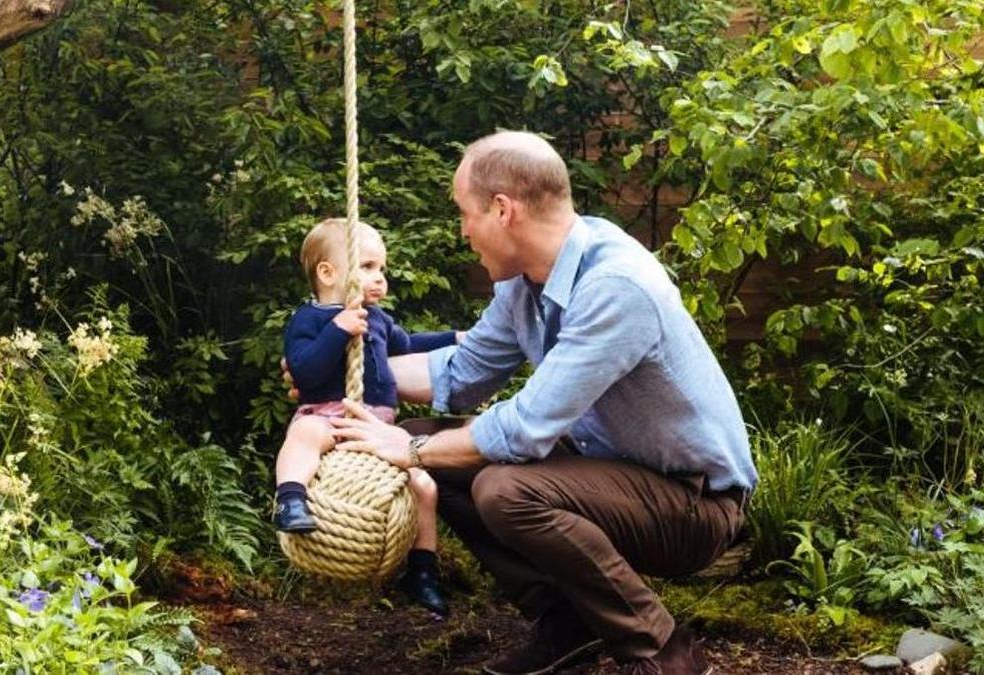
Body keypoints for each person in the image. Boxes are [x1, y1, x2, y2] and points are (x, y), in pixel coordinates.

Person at [324, 131, 759, 675]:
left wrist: (410, 449)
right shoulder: (525, 284)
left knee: (502, 488)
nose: (462, 232)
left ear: (503, 210)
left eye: (465, 214)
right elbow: (461, 375)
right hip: (612, 474)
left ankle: (665, 653)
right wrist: (338, 377)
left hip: (694, 505)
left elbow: (527, 427)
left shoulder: (617, 286)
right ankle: (569, 623)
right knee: (439, 448)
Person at [274, 217, 458, 616]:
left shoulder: (377, 318)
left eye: (382, 269)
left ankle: (422, 571)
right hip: (329, 418)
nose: (380, 279)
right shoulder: (309, 319)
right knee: (304, 431)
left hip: (377, 429)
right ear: (328, 273)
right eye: (368, 267)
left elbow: (407, 345)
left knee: (424, 486)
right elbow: (304, 371)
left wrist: (455, 338)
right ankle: (290, 499)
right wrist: (338, 330)